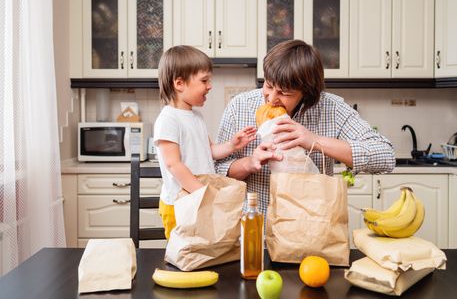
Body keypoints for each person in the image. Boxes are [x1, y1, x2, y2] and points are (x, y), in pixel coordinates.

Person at [215, 39, 395, 215]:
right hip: (255, 225)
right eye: (268, 86)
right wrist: (249, 163)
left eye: (284, 93)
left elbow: (385, 156)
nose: (271, 98)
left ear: (306, 93)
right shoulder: (239, 106)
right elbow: (216, 172)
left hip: (311, 229)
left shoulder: (331, 108)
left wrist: (315, 141)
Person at [154, 45, 256, 239]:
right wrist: (203, 192)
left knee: (201, 249)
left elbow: (209, 150)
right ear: (179, 83)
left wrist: (232, 145)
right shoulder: (168, 119)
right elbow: (173, 164)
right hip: (180, 203)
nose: (209, 86)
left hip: (199, 199)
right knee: (184, 251)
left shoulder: (196, 116)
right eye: (204, 80)